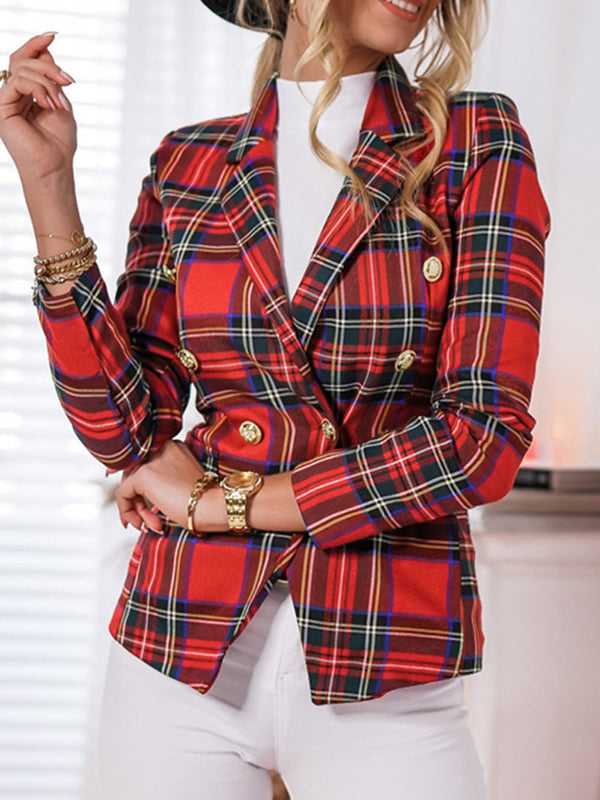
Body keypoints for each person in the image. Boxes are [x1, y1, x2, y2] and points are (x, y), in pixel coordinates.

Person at [0, 0, 550, 797]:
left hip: (386, 652)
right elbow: (125, 431)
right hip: (177, 649)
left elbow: (480, 439)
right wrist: (49, 186)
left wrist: (221, 503)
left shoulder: (474, 143)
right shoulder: (190, 162)